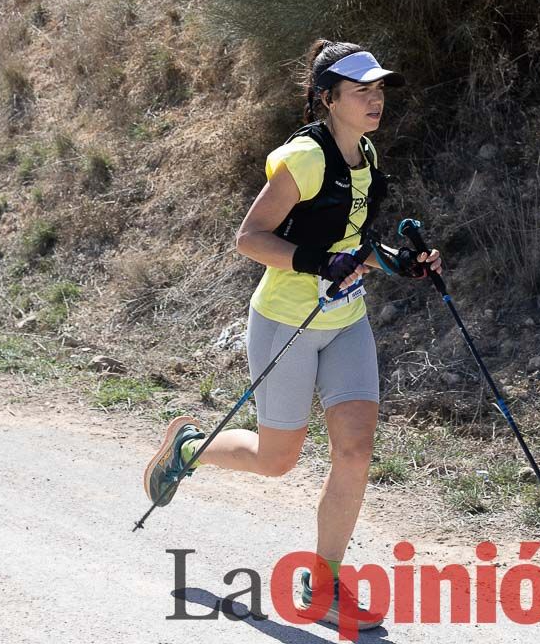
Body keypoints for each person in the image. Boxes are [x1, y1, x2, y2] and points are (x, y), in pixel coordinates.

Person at [143, 40, 441, 630]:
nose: (375, 100)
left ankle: (324, 582)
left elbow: (353, 243)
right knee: (277, 460)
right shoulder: (304, 159)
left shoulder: (369, 155)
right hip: (286, 322)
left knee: (355, 449)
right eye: (362, 91)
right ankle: (188, 449)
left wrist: (398, 263)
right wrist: (315, 263)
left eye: (379, 90)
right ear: (328, 99)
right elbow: (250, 238)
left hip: (346, 321)